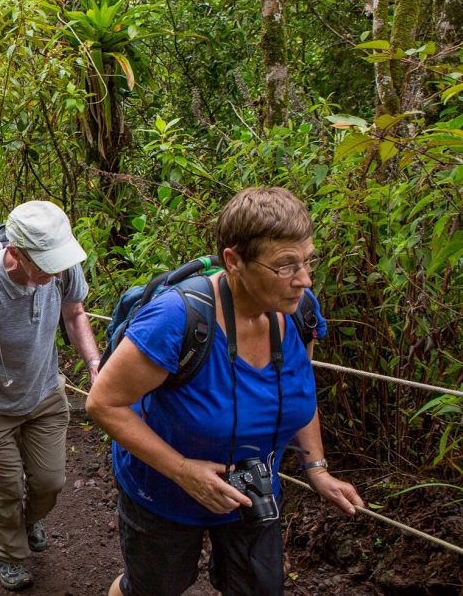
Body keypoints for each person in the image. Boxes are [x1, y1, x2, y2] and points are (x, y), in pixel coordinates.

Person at [86, 187, 363, 596]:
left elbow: (300, 392)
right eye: (286, 265)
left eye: (308, 261)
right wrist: (184, 471)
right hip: (164, 491)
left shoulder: (300, 309)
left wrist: (317, 469)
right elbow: (103, 403)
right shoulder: (177, 319)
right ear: (234, 261)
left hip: (252, 489)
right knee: (153, 589)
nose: (303, 278)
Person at [0, 201, 100, 592]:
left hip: (44, 392)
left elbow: (75, 312)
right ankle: (9, 553)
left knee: (50, 481)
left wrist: (95, 361)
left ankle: (29, 521)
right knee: (5, 485)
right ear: (15, 253)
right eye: (45, 263)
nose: (56, 270)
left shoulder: (61, 268)